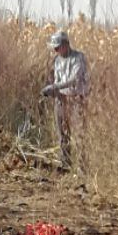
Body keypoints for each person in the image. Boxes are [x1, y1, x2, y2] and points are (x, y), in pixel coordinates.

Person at [42, 29, 90, 170]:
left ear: (65, 44)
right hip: (61, 100)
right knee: (62, 134)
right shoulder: (57, 60)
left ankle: (82, 167)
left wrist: (55, 86)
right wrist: (53, 92)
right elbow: (58, 79)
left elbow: (74, 79)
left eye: (58, 47)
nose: (56, 51)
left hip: (76, 100)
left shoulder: (78, 58)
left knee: (79, 134)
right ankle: (66, 165)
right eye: (54, 48)